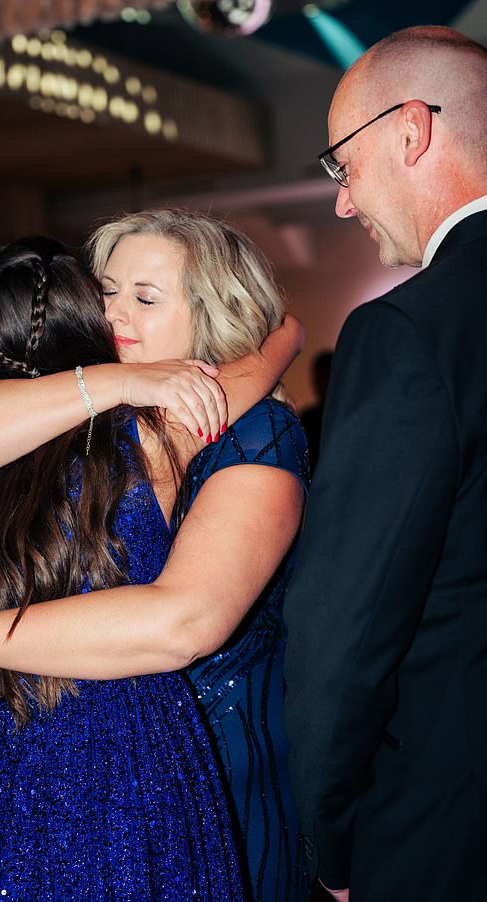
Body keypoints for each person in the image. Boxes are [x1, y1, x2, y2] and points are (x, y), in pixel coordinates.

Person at [0, 210, 311, 901]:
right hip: (37, 766)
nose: (115, 311)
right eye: (106, 290)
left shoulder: (190, 430)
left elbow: (184, 621)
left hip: (179, 763)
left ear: (209, 315)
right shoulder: (37, 442)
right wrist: (129, 381)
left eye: (145, 297)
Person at [282, 26, 487, 902]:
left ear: (410, 132)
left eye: (343, 165)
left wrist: (330, 837)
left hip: (448, 826)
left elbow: (346, 627)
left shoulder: (405, 332)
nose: (341, 203)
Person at [299, 350, 332, 474]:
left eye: (325, 377)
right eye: (318, 378)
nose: (320, 383)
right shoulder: (309, 417)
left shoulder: (310, 417)